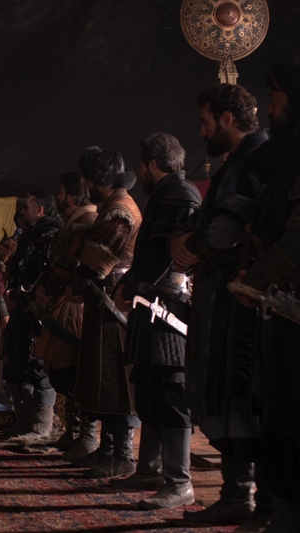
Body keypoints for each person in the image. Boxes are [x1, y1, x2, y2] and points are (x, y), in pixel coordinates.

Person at [169, 84, 271, 527]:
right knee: (224, 393)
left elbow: (228, 227)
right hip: (221, 296)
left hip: (243, 301)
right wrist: (186, 240)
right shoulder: (237, 161)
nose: (202, 131)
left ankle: (251, 500)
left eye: (206, 121)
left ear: (228, 118)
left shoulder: (257, 158)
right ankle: (237, 495)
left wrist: (191, 245)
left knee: (241, 395)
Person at [111, 133, 201, 510]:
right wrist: (131, 287)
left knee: (168, 390)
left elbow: (168, 257)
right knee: (149, 386)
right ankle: (149, 469)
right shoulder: (165, 194)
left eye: (141, 164)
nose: (140, 172)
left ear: (152, 163)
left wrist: (133, 286)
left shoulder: (179, 194)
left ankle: (179, 482)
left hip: (168, 310)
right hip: (150, 306)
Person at [232, 63, 300, 531]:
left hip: (289, 302)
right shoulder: (285, 151)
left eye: (276, 100)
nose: (270, 108)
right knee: (277, 413)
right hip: (280, 307)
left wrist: (255, 280)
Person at [63, 147, 142, 479]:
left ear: (96, 180)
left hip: (114, 303)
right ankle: (108, 450)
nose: (87, 186)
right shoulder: (114, 206)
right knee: (104, 378)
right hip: (104, 301)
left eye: (88, 180)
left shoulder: (119, 211)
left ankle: (121, 455)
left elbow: (98, 259)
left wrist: (76, 284)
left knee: (115, 379)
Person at [32, 172, 97, 454]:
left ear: (71, 196)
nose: (58, 197)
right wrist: (44, 285)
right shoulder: (74, 220)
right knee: (61, 371)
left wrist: (49, 287)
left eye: (61, 193)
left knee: (72, 370)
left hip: (73, 304)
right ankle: (72, 431)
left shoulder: (87, 219)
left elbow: (71, 263)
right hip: (61, 300)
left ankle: (84, 435)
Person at [1, 192, 62, 439]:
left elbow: (42, 270)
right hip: (23, 308)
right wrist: (12, 293)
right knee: (18, 364)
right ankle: (24, 422)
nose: (22, 211)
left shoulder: (50, 231)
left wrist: (21, 293)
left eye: (26, 207)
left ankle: (40, 426)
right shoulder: (28, 234)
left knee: (38, 366)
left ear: (40, 210)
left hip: (39, 311)